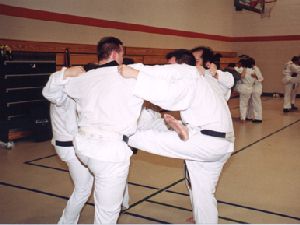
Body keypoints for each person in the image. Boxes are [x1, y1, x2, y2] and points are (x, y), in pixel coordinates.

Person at [118, 61, 234, 224]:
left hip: (207, 141)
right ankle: (183, 129)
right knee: (203, 195)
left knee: (148, 138)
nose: (170, 68)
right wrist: (213, 73)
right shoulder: (206, 79)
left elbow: (167, 93)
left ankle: (119, 135)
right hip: (221, 143)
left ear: (181, 65)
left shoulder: (191, 78)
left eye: (173, 65)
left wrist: (135, 74)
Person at [62, 36, 145, 224]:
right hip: (109, 153)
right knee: (107, 215)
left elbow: (66, 90)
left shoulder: (84, 78)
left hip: (83, 149)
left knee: (97, 186)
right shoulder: (128, 76)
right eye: (123, 53)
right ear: (116, 54)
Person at [42, 66, 94, 224]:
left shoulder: (76, 89)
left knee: (103, 173)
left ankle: (121, 201)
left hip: (76, 144)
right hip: (69, 147)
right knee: (83, 189)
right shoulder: (65, 90)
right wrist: (66, 73)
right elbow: (49, 92)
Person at [246, 57, 264, 123]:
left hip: (257, 88)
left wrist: (255, 77)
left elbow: (261, 79)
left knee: (256, 103)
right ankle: (249, 116)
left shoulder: (256, 68)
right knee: (250, 103)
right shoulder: (249, 69)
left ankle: (258, 118)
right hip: (251, 88)